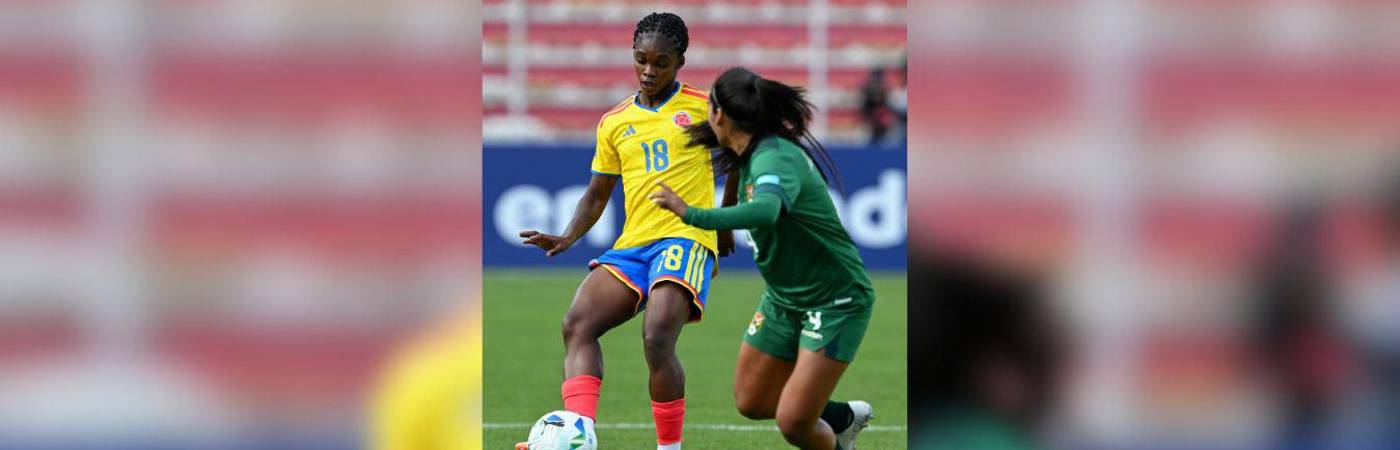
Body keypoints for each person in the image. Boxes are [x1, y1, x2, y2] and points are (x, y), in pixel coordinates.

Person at [516, 12, 735, 450]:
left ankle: (669, 449)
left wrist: (724, 221)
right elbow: (597, 194)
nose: (649, 71)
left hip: (685, 237)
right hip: (634, 245)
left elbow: (741, 155)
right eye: (641, 60)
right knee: (577, 324)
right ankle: (577, 435)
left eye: (661, 62)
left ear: (680, 62)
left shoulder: (703, 107)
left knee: (656, 338)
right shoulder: (614, 121)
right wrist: (567, 236)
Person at [648, 67, 874, 450]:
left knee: (794, 422)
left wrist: (694, 215)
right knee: (752, 401)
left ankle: (835, 438)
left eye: (709, 107)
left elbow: (768, 210)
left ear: (719, 114)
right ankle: (842, 418)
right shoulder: (748, 149)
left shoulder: (774, 159)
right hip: (785, 297)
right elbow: (740, 180)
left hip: (834, 300)